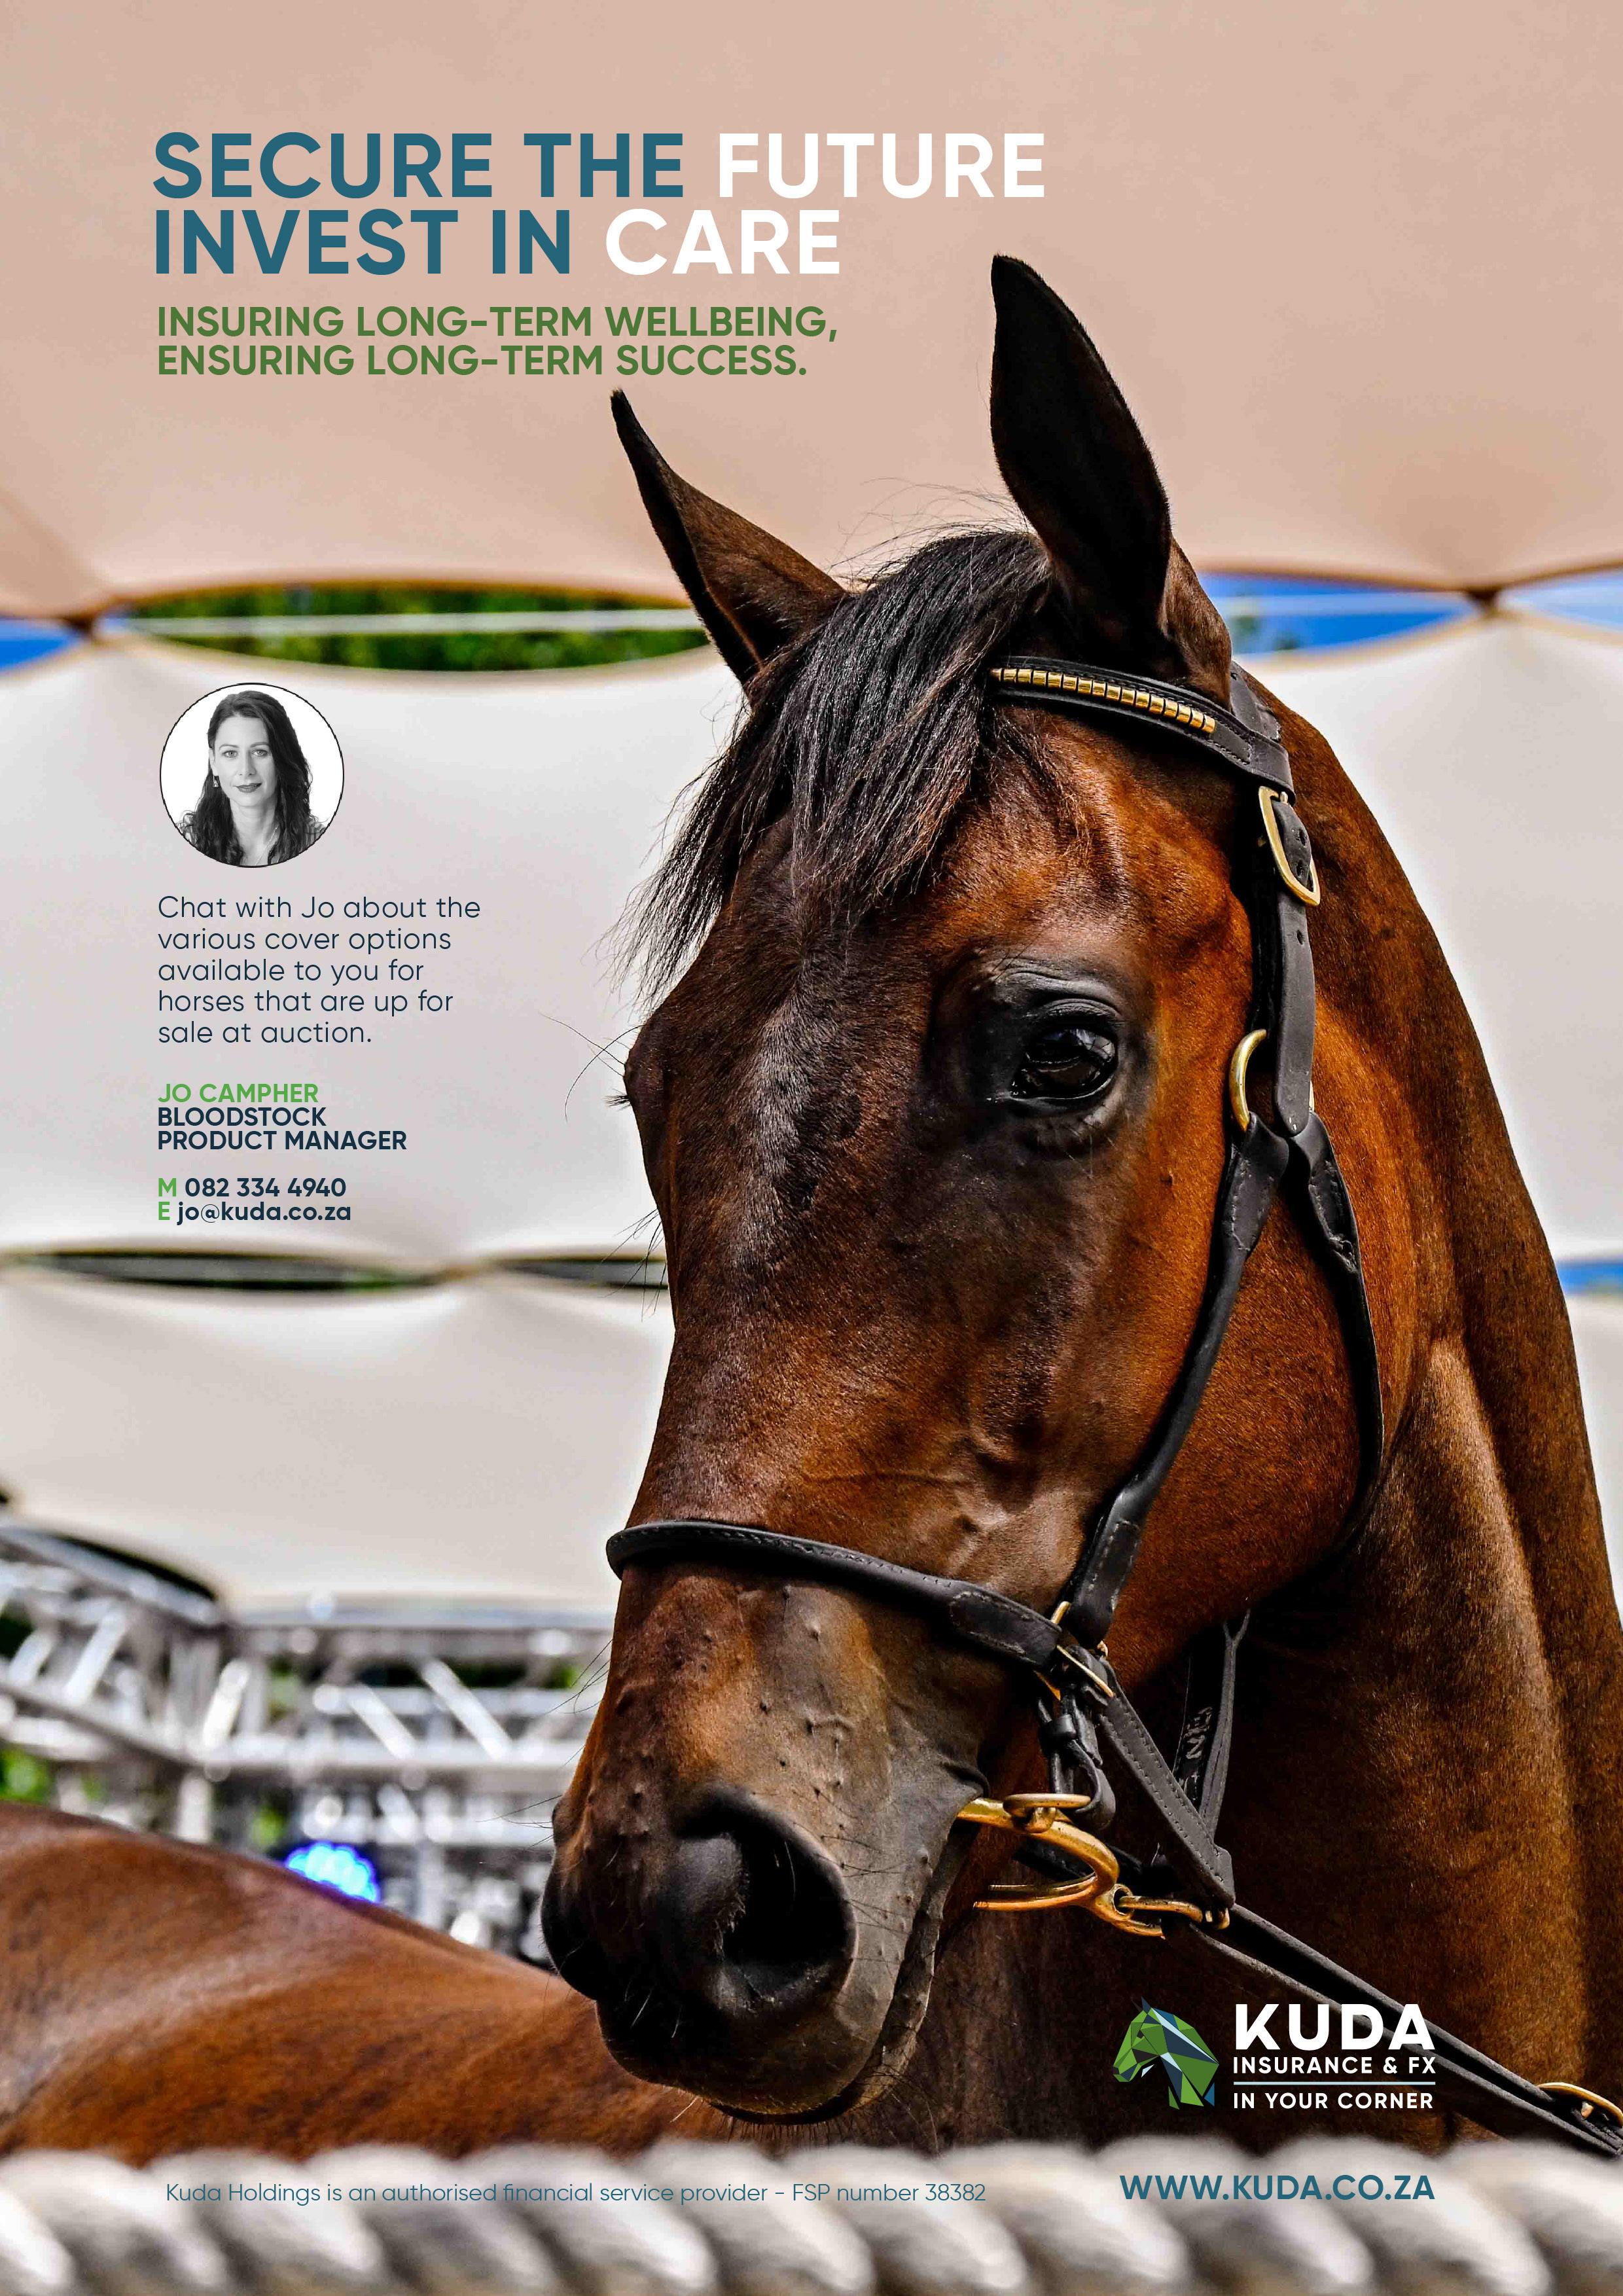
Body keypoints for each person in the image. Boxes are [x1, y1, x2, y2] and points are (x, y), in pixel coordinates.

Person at [179, 690, 327, 866]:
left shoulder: (321, 842)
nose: (246, 770)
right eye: (231, 753)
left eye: (260, 752)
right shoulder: (185, 839)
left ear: (282, 758)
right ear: (214, 761)